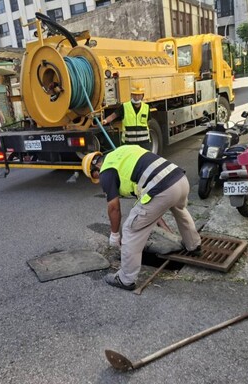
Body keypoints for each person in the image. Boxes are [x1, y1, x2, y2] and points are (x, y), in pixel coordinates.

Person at [82, 145, 202, 291]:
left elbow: (114, 207)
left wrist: (114, 234)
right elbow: (150, 203)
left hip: (161, 189)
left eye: (94, 177)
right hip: (179, 180)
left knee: (130, 229)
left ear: (95, 168)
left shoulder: (106, 171)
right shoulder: (122, 153)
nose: (98, 181)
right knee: (179, 209)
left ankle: (126, 279)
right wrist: (160, 224)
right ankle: (194, 245)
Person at [101, 83, 151, 150]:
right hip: (128, 144)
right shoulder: (124, 107)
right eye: (135, 95)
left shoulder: (146, 108)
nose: (136, 97)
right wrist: (106, 120)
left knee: (144, 160)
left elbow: (148, 122)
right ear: (131, 95)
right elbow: (113, 116)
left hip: (144, 144)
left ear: (142, 96)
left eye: (139, 95)